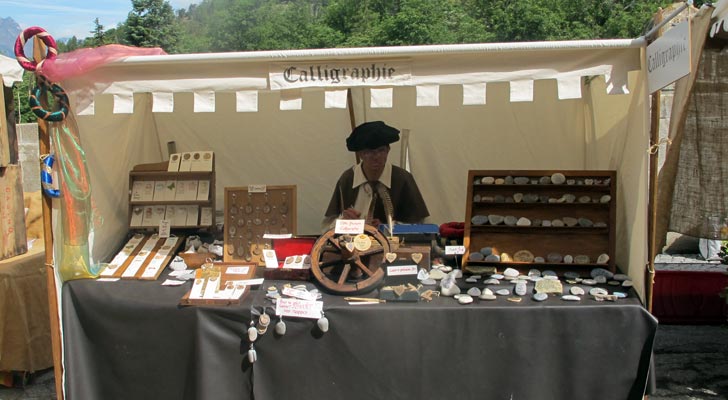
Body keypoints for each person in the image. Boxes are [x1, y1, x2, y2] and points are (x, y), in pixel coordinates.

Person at [322, 121, 429, 231]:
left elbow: (420, 226)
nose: (376, 157)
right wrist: (344, 221)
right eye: (368, 152)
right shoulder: (348, 179)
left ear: (388, 150)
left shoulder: (402, 179)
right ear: (360, 154)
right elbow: (327, 228)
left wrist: (386, 227)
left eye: (381, 150)